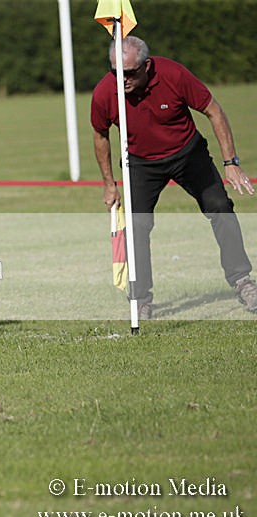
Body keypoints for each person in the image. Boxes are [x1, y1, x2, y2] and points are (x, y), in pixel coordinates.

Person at [91, 35, 257, 319]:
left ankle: (242, 281)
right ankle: (141, 300)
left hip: (188, 154)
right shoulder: (106, 92)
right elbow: (100, 134)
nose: (123, 80)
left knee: (220, 207)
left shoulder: (173, 74)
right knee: (137, 225)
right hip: (140, 163)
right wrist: (109, 184)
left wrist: (231, 162)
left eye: (129, 73)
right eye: (116, 72)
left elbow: (213, 111)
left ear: (147, 66)